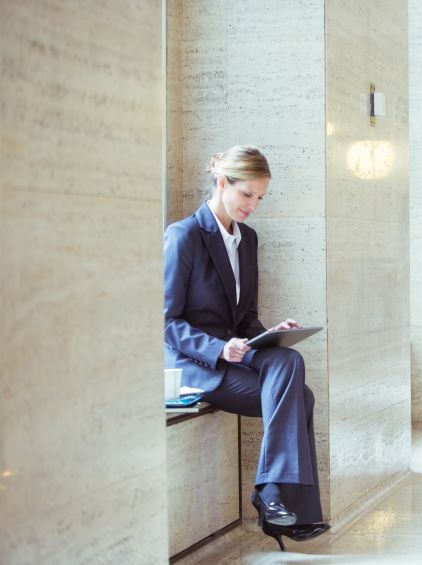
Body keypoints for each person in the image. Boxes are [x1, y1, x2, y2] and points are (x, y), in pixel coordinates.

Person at [163, 145, 329, 551]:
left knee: (288, 356)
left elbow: (244, 319)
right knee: (300, 398)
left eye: (260, 197)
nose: (253, 205)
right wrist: (220, 349)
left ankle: (274, 495)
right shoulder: (184, 236)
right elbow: (165, 321)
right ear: (222, 183)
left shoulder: (248, 239)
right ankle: (281, 502)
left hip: (238, 352)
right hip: (196, 364)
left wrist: (268, 332)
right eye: (247, 194)